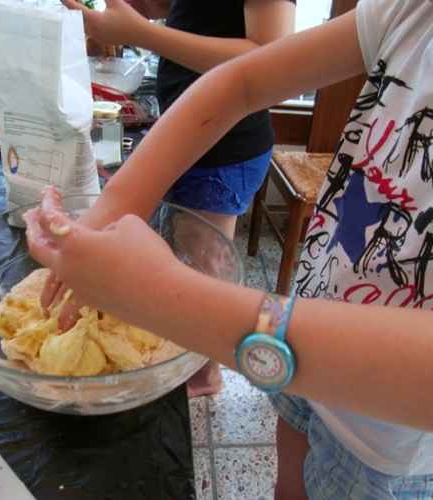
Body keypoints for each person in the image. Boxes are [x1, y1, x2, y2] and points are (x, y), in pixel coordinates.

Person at [26, 0, 433, 498]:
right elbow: (242, 82)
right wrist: (118, 203)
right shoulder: (418, 11)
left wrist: (164, 297)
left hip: (393, 451)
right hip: (306, 359)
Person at [53, 0, 296, 398]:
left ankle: (205, 373)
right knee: (192, 259)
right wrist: (147, 10)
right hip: (194, 139)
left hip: (223, 148)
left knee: (201, 270)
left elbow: (270, 57)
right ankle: (202, 362)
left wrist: (139, 33)